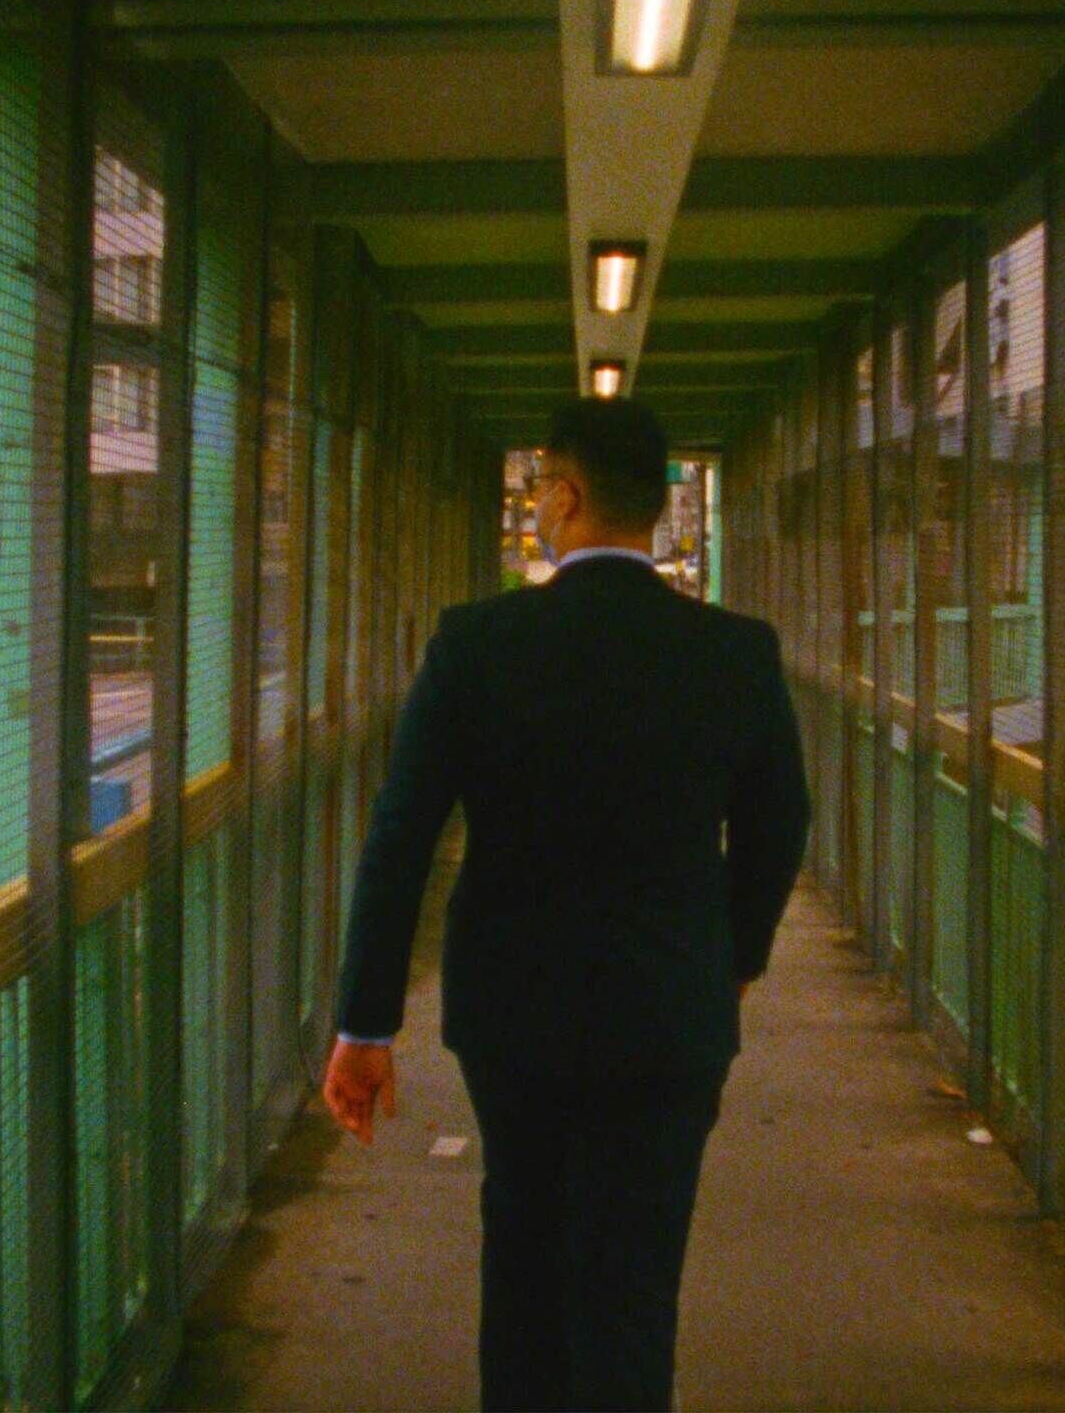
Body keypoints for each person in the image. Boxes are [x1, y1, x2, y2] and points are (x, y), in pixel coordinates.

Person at [322, 397, 812, 1412]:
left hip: (515, 1018)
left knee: (525, 1265)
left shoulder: (476, 645)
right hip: (668, 1019)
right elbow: (779, 823)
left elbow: (400, 834)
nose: (536, 501)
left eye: (541, 483)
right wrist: (732, 954)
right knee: (633, 1290)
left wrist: (367, 1023)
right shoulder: (733, 653)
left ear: (567, 493)